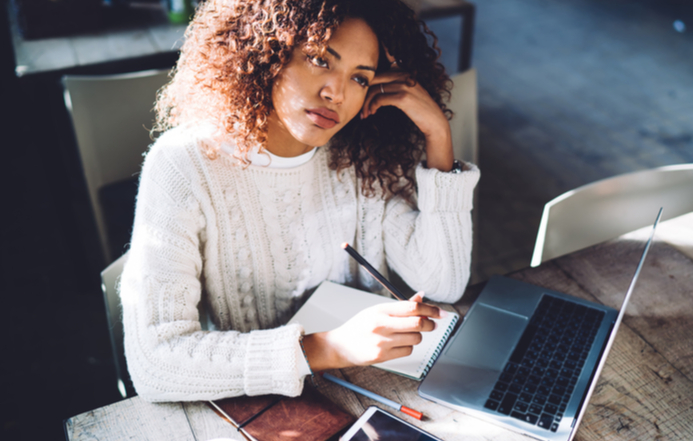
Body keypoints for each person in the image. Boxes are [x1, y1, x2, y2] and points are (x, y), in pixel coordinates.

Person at [121, 0, 480, 402]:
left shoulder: (362, 154)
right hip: (258, 407)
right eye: (319, 59)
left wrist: (438, 135)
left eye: (360, 79)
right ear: (266, 51)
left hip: (372, 390)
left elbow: (443, 282)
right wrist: (330, 347)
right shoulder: (184, 164)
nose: (337, 93)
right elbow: (154, 363)